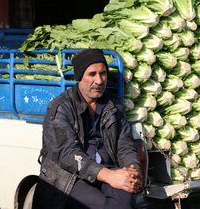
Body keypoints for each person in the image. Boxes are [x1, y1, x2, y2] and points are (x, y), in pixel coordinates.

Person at [32, 49, 142, 209]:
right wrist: (108, 175)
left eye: (103, 73)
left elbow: (124, 145)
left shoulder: (113, 106)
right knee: (102, 205)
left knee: (125, 196)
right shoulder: (60, 107)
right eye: (92, 74)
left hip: (106, 173)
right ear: (79, 77)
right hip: (69, 178)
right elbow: (67, 154)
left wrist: (132, 169)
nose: (99, 80)